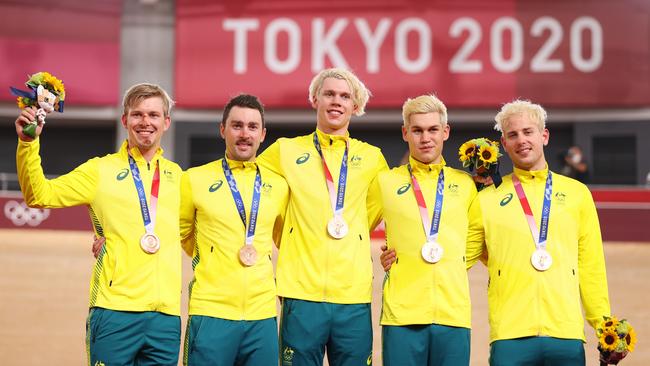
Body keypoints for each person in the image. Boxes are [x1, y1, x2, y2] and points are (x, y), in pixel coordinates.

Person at [15, 83, 183, 365]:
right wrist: (28, 145)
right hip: (114, 311)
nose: (146, 122)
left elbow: (195, 230)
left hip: (166, 317)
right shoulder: (99, 170)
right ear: (125, 120)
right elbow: (39, 195)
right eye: (138, 114)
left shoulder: (178, 177)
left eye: (154, 115)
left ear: (166, 122)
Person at [256, 68, 389, 366]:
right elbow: (254, 195)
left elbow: (377, 213)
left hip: (352, 296)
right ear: (315, 99)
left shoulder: (373, 159)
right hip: (300, 294)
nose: (336, 101)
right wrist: (288, 236)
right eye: (329, 94)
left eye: (345, 96)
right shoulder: (284, 151)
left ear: (355, 106)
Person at [466, 100, 610, 365]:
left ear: (544, 136)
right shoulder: (486, 199)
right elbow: (458, 257)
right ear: (504, 144)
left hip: (566, 333)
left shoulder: (578, 195)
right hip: (510, 335)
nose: (522, 140)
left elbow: (591, 266)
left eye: (528, 131)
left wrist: (602, 325)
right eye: (513, 135)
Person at [179, 94, 289, 365]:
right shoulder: (194, 179)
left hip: (261, 315)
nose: (244, 134)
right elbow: (181, 233)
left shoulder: (279, 185)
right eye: (237, 125)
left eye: (252, 127)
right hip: (211, 311)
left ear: (263, 135)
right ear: (222, 130)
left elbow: (287, 238)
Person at [368, 94, 478, 365]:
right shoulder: (385, 182)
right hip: (401, 315)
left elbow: (479, 237)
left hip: (453, 314)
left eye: (432, 130)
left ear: (445, 132)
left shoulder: (465, 185)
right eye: (417, 130)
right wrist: (382, 257)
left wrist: (453, 260)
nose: (425, 138)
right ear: (405, 133)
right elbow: (354, 228)